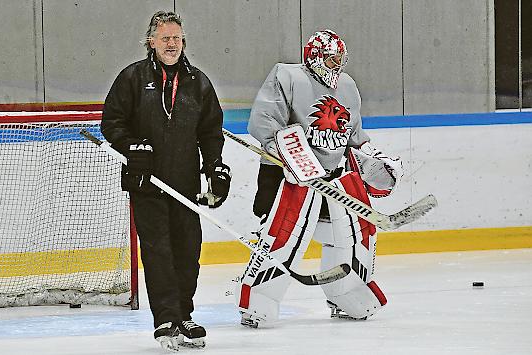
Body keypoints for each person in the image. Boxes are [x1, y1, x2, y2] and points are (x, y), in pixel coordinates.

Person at [235, 29, 404, 327]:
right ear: (314, 58)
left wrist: (374, 158)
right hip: (287, 173)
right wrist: (287, 156)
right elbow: (263, 122)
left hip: (332, 177)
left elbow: (352, 136)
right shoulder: (287, 77)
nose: (337, 65)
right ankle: (259, 300)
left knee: (352, 235)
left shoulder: (348, 86)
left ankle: (346, 293)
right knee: (285, 237)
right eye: (331, 59)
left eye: (341, 59)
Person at [100, 10, 231, 351]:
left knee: (188, 251)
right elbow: (112, 122)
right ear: (151, 42)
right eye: (165, 38)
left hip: (184, 183)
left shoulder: (198, 82)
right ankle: (165, 319)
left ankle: (184, 314)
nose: (172, 44)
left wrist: (215, 167)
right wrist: (132, 147)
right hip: (146, 182)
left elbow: (210, 131)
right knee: (158, 251)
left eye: (177, 38)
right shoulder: (131, 78)